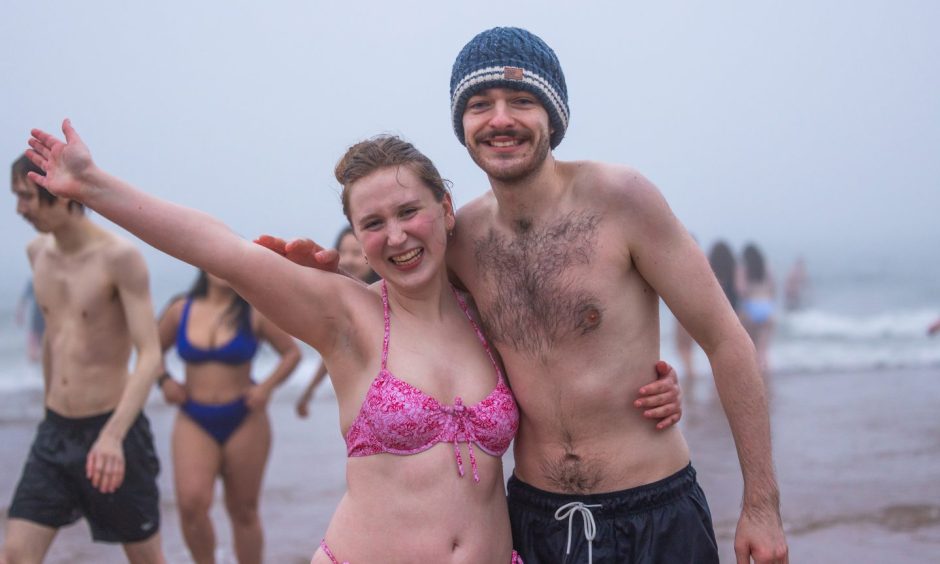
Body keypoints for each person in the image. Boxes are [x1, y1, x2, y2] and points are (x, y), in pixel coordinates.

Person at [27, 124, 680, 563]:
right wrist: (94, 187)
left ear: (447, 210)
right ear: (356, 237)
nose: (395, 236)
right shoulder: (346, 316)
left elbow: (574, 360)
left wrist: (648, 388)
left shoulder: (489, 313)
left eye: (408, 213)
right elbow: (216, 246)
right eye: (373, 223)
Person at [268, 26, 788, 564]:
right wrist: (339, 286)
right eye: (479, 104)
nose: (499, 119)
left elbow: (727, 340)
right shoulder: (461, 239)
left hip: (654, 511)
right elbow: (411, 321)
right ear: (462, 126)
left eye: (521, 100)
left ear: (553, 116)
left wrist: (762, 504)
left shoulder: (622, 200)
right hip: (537, 524)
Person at [3, 154, 166, 563]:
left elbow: (150, 355)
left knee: (146, 558)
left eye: (26, 198)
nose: (19, 209)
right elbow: (55, 343)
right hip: (55, 432)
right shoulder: (37, 254)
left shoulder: (119, 259)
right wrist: (47, 413)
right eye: (16, 197)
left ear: (61, 196)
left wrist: (112, 436)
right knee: (15, 554)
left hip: (113, 429)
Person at [157, 270, 301, 564]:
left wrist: (265, 388)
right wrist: (164, 381)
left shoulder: (253, 311)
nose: (220, 269)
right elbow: (150, 350)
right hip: (193, 417)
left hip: (245, 417)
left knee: (243, 510)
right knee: (191, 505)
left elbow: (291, 352)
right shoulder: (180, 310)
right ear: (202, 265)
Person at [295, 227, 378, 418]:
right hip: (361, 400)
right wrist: (309, 391)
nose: (348, 259)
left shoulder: (389, 296)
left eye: (356, 253)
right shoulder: (336, 302)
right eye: (343, 251)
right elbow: (334, 347)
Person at [739, 243, 776, 372]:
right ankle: (766, 376)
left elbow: (741, 289)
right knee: (764, 350)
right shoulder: (766, 267)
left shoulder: (744, 268)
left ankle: (755, 376)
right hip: (766, 307)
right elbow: (773, 288)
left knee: (752, 348)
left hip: (751, 307)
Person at [14, 280, 44, 363]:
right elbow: (23, 299)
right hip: (37, 319)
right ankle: (33, 372)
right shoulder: (34, 282)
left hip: (48, 319)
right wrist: (19, 314)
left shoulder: (50, 280)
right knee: (33, 354)